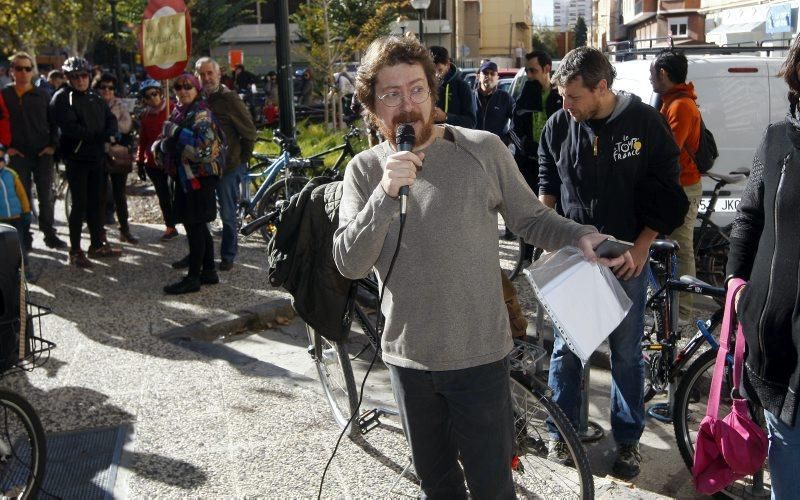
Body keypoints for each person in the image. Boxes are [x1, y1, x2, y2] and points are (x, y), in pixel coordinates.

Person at [333, 35, 628, 498]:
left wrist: (578, 236)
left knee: (494, 489)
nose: (406, 105)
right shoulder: (365, 172)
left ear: (434, 93)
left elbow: (530, 217)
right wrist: (385, 195)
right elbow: (350, 262)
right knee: (440, 488)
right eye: (391, 94)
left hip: (480, 358)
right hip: (409, 362)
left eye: (416, 89)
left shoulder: (482, 149)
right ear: (371, 105)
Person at [538, 47, 688, 479]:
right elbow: (547, 177)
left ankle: (627, 440)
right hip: (574, 257)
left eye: (573, 97)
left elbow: (668, 191)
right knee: (568, 350)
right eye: (562, 97)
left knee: (625, 355)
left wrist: (642, 246)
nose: (566, 106)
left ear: (602, 88)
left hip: (625, 261)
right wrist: (547, 231)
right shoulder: (559, 125)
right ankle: (561, 431)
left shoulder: (645, 124)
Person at [726, 35, 800, 500]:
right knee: (788, 480)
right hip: (778, 344)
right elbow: (749, 217)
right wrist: (736, 282)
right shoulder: (777, 139)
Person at [152, 73, 224, 294]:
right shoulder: (179, 112)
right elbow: (164, 143)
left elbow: (203, 151)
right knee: (198, 226)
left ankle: (193, 278)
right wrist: (161, 146)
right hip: (185, 179)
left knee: (194, 227)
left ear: (196, 90)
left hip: (199, 179)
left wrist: (176, 135)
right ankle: (209, 271)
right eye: (178, 87)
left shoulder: (201, 114)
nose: (182, 91)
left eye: (188, 87)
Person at [51, 57, 121, 267]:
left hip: (97, 157)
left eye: (84, 75)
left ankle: (97, 244)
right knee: (79, 204)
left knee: (97, 202)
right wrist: (100, 136)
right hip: (76, 158)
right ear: (68, 78)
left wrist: (110, 131)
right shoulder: (62, 98)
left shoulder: (94, 95)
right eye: (75, 76)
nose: (80, 80)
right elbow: (71, 128)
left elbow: (110, 118)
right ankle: (75, 250)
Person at [650, 49, 703, 322]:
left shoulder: (680, 105)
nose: (650, 80)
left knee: (682, 248)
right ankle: (675, 305)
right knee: (674, 246)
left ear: (663, 74)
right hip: (678, 184)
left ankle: (683, 312)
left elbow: (669, 149)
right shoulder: (671, 100)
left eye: (652, 74)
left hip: (684, 185)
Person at [194, 57, 257, 271]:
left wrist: (241, 161)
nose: (206, 78)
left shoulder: (230, 99)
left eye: (210, 73)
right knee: (201, 213)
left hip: (228, 167)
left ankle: (228, 255)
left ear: (218, 74)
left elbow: (249, 132)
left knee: (228, 215)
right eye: (202, 74)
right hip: (203, 167)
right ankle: (202, 255)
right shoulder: (197, 99)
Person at [2, 52, 66, 251]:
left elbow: (54, 122)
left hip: (42, 154)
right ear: (12, 71)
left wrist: (52, 146)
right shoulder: (4, 95)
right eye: (19, 68)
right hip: (17, 155)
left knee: (46, 196)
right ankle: (25, 236)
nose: (23, 72)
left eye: (27, 68)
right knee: (23, 198)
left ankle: (49, 234)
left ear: (33, 71)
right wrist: (7, 148)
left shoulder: (43, 94)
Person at [93, 73, 138, 244]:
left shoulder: (120, 104)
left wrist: (107, 126)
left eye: (111, 87)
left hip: (117, 153)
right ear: (98, 88)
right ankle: (100, 231)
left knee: (120, 193)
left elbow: (126, 126)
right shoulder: (93, 104)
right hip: (98, 153)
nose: (107, 90)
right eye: (103, 87)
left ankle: (124, 229)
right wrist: (111, 126)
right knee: (100, 194)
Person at [511, 50, 562, 191]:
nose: (529, 75)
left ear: (547, 69)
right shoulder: (524, 96)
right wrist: (526, 146)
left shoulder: (561, 97)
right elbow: (514, 130)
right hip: (529, 167)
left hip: (556, 165)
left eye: (533, 71)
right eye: (527, 71)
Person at [135, 79, 177, 241]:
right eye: (148, 96)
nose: (153, 98)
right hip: (153, 163)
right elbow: (142, 140)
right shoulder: (145, 116)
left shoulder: (172, 110)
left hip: (171, 161)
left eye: (155, 94)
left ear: (160, 93)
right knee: (163, 195)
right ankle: (170, 226)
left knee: (175, 193)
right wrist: (139, 162)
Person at [0, 144, 32, 273]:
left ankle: (25, 269)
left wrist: (26, 210)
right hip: (1, 220)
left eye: (0, 160)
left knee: (19, 245)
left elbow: (22, 194)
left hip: (16, 217)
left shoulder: (11, 174)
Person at [429, 45, 476, 128]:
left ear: (448, 65)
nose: (436, 75)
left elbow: (471, 122)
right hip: (429, 139)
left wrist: (446, 117)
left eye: (440, 70)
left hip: (454, 139)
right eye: (432, 70)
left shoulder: (462, 87)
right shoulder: (423, 87)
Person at [472, 60, 514, 141]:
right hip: (472, 147)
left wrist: (507, 139)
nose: (489, 76)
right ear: (478, 76)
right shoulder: (470, 97)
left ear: (497, 77)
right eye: (485, 73)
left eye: (492, 73)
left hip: (497, 147)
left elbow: (517, 120)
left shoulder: (504, 98)